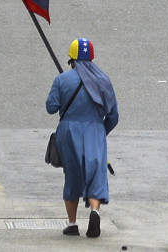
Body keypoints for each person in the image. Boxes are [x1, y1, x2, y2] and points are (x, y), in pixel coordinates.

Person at [46, 38, 118, 238]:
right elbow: (114, 116)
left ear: (71, 59)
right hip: (95, 132)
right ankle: (94, 212)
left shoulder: (62, 80)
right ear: (92, 57)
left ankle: (72, 224)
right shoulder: (104, 80)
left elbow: (51, 107)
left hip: (69, 133)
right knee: (96, 174)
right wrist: (100, 131)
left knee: (73, 174)